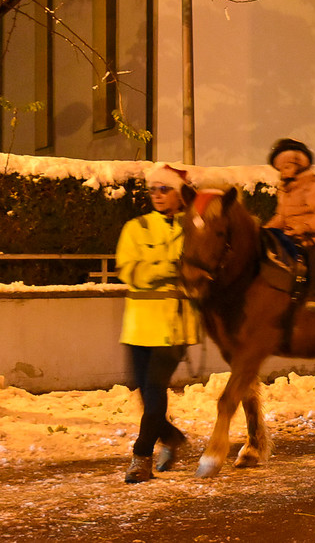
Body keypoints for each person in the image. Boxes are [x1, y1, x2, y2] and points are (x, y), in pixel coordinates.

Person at [116, 163, 201, 483]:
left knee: (153, 394)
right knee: (145, 394)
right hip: (137, 326)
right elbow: (129, 271)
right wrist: (170, 267)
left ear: (180, 195)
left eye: (165, 189)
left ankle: (141, 458)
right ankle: (173, 437)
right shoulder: (135, 227)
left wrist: (158, 268)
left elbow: (197, 270)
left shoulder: (193, 228)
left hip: (174, 328)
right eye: (153, 189)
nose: (157, 195)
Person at [264, 138, 315, 252]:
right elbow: (281, 217)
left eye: (287, 167)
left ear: (299, 166)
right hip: (292, 237)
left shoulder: (312, 184)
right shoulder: (285, 190)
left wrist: (305, 227)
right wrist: (265, 231)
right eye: (281, 169)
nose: (283, 172)